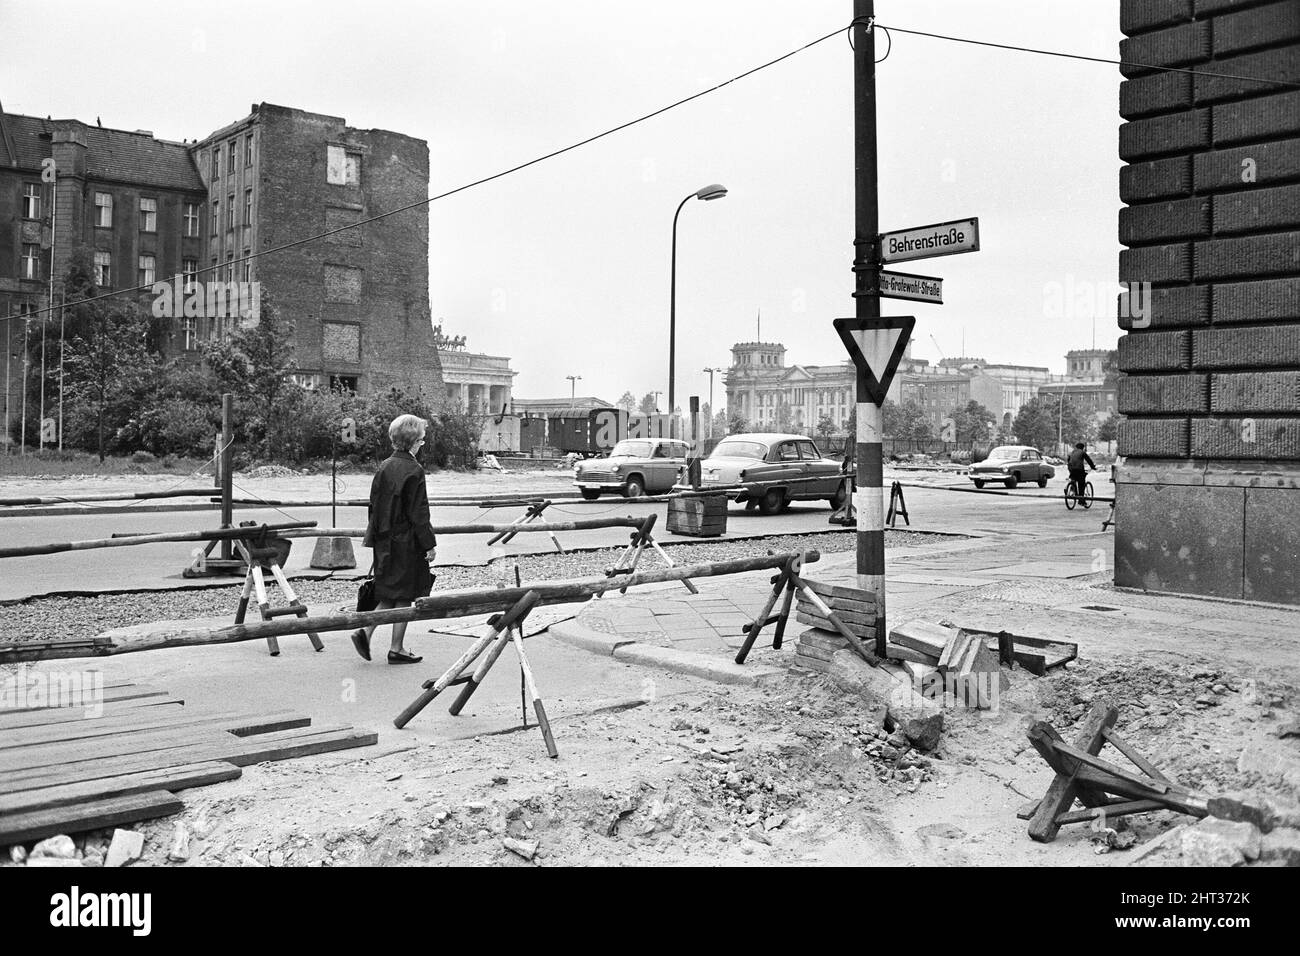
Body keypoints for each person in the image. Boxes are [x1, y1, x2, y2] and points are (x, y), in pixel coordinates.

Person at [350, 414, 437, 664]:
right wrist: (429, 543)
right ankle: (394, 647)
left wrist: (376, 537)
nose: (422, 444)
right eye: (421, 440)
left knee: (390, 593)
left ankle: (367, 632)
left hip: (384, 539)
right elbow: (419, 513)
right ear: (412, 442)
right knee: (405, 595)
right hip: (407, 542)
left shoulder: (384, 466)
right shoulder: (414, 470)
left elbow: (373, 506)